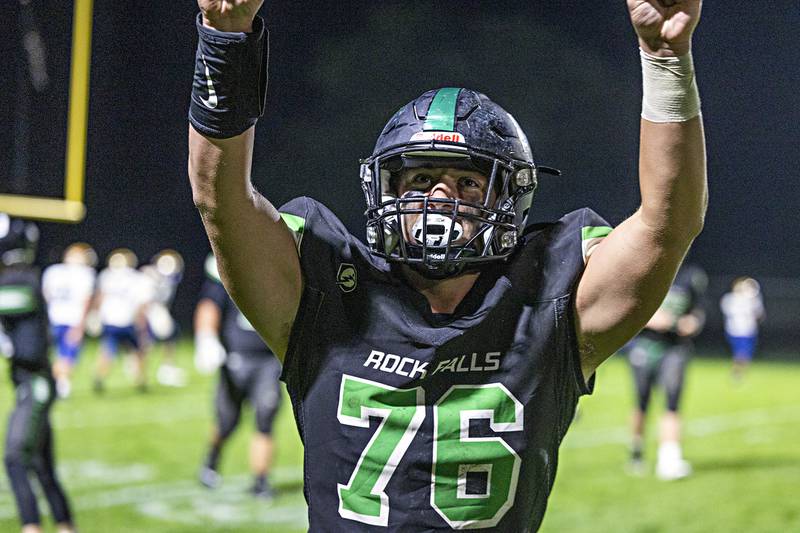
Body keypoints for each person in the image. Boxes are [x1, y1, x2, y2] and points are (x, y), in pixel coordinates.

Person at [187, 1, 707, 530]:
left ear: (508, 199)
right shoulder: (325, 286)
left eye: (467, 183)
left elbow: (668, 222)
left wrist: (665, 58)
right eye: (419, 180)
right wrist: (225, 36)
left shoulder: (548, 292)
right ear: (384, 188)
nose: (440, 196)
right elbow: (220, 199)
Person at [0, 213, 75, 533]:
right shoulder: (25, 277)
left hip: (35, 382)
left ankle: (31, 526)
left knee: (16, 458)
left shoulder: (19, 281)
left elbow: (25, 347)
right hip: (32, 380)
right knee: (43, 467)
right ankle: (66, 526)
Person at [195, 253, 283, 499]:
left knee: (266, 417)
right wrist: (206, 338)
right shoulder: (232, 264)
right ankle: (212, 456)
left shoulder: (279, 268)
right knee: (227, 422)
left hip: (268, 359)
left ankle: (261, 481)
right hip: (236, 357)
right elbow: (209, 304)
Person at [626, 263, 707, 480]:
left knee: (673, 399)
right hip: (646, 345)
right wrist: (651, 319)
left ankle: (668, 460)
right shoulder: (647, 268)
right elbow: (629, 305)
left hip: (676, 346)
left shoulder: (691, 275)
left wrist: (693, 323)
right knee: (642, 401)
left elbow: (697, 311)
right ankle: (636, 451)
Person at [42, 242, 97, 398]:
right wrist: (81, 325)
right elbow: (86, 301)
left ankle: (56, 383)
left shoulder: (53, 271)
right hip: (73, 319)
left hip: (53, 318)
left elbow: (46, 296)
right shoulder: (85, 274)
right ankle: (60, 384)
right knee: (67, 356)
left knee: (51, 355)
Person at [92, 248, 152, 393]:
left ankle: (99, 376)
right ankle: (140, 380)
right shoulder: (137, 278)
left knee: (107, 350)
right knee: (138, 351)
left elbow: (100, 298)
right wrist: (141, 321)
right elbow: (142, 303)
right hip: (127, 321)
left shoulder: (107, 276)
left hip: (110, 320)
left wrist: (95, 314)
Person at [140, 249, 187, 387]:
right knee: (146, 342)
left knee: (171, 335)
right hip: (149, 311)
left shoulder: (170, 278)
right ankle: (140, 369)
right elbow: (144, 298)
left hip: (158, 310)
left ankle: (166, 368)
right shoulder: (150, 275)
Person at [720, 277, 765, 381]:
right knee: (741, 353)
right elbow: (728, 312)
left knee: (746, 354)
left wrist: (754, 300)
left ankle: (739, 372)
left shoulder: (752, 300)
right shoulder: (729, 298)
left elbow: (760, 315)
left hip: (749, 331)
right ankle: (736, 373)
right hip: (735, 331)